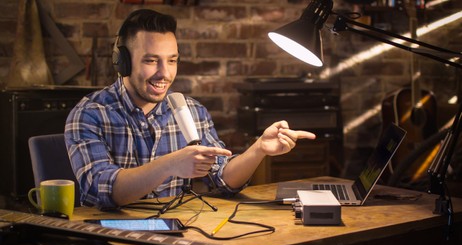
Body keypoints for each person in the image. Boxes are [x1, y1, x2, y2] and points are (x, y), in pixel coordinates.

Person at [64, 9, 316, 210]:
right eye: (151, 61)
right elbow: (102, 190)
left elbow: (222, 179)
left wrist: (259, 148)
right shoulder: (89, 114)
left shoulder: (192, 110)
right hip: (110, 237)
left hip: (176, 233)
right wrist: (169, 165)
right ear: (123, 62)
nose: (165, 73)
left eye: (172, 60)